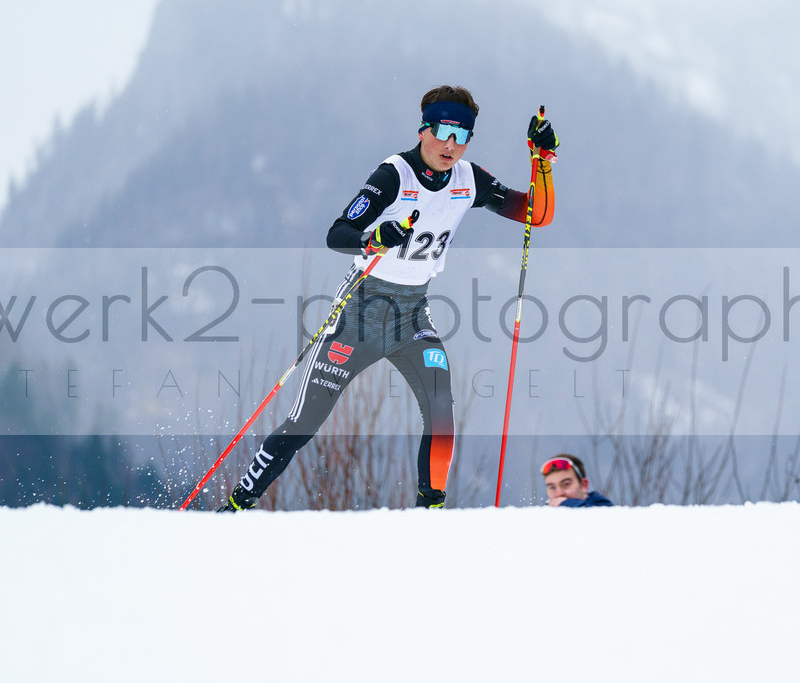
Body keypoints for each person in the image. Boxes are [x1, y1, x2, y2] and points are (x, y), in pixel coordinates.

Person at [219, 85, 559, 511]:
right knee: (305, 421)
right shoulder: (394, 174)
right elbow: (338, 234)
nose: (451, 145)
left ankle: (428, 515)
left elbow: (535, 214)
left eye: (462, 136)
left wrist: (541, 162)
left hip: (412, 317)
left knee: (441, 413)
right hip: (358, 315)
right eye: (443, 131)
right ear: (423, 130)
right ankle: (237, 505)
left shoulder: (469, 179)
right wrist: (374, 237)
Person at [541, 454, 613, 507]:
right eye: (552, 487)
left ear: (584, 485)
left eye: (566, 484)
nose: (559, 493)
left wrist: (566, 503)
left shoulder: (602, 506)